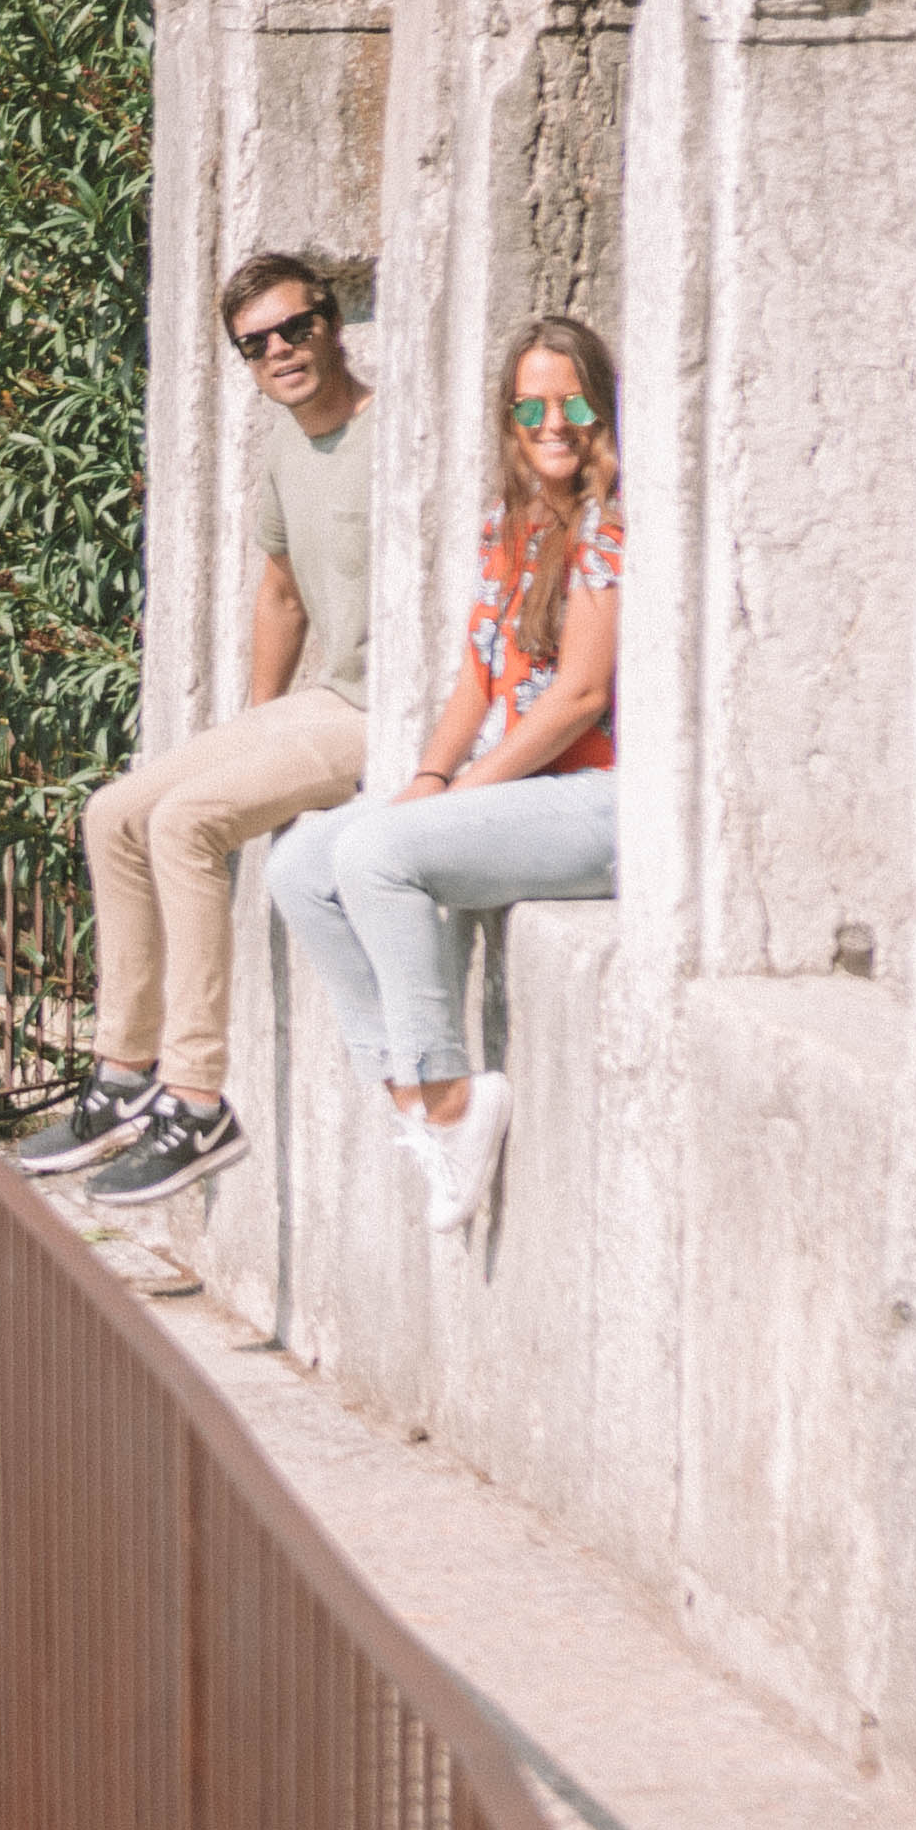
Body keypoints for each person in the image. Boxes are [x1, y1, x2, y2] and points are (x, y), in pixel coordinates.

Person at [14, 247, 378, 1202]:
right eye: (256, 345)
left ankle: (198, 1099)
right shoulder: (288, 445)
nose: (281, 353)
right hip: (322, 704)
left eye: (295, 329)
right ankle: (122, 1079)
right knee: (113, 811)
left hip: (393, 714)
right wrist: (262, 731)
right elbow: (283, 590)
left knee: (186, 822)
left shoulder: (395, 436)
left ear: (331, 322)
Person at [273, 315, 623, 1231]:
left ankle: (453, 1096)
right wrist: (430, 776)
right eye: (532, 406)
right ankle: (407, 1095)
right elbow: (478, 674)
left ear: (604, 411)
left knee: (381, 856)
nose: (555, 423)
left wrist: (470, 792)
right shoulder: (508, 530)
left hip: (603, 801)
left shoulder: (609, 530)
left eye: (575, 403)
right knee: (300, 866)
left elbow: (579, 697)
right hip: (522, 788)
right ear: (508, 419)